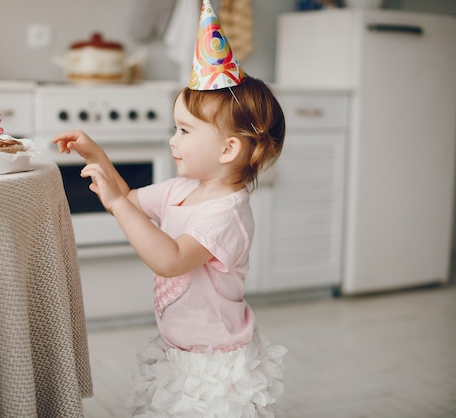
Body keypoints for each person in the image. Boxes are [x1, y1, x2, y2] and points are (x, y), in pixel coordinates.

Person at [54, 2, 286, 415]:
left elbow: (171, 260)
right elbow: (126, 202)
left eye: (183, 131)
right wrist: (96, 154)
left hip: (215, 362)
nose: (172, 141)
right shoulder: (181, 190)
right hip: (180, 348)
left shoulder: (227, 215)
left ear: (228, 148)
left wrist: (114, 202)